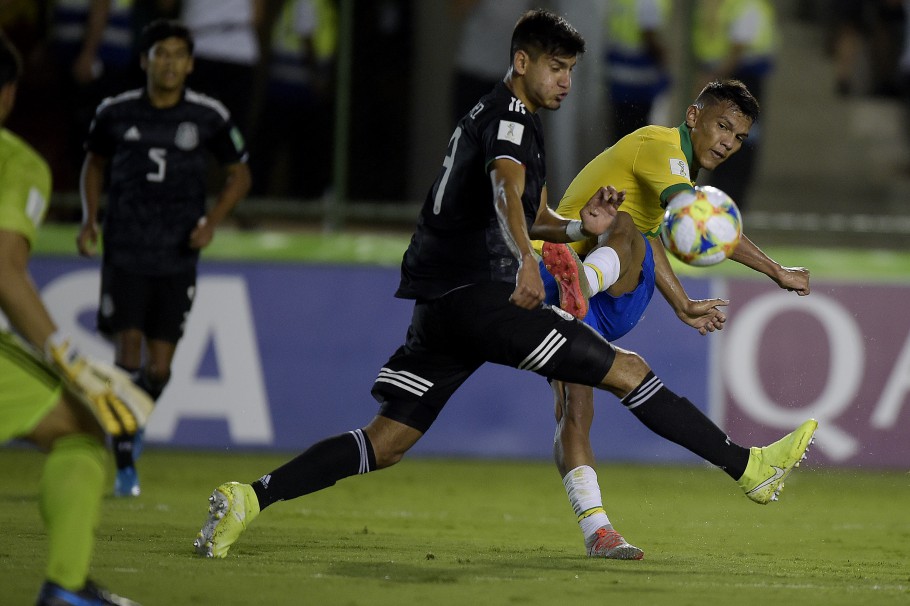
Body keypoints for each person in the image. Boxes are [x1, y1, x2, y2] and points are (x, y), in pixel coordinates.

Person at [192, 10, 817, 561]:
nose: (565, 81)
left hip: (440, 305)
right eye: (555, 67)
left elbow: (536, 209)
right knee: (629, 371)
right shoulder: (514, 120)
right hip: (489, 297)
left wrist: (576, 225)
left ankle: (249, 497)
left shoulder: (490, 116)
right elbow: (505, 189)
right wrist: (526, 256)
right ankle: (748, 467)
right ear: (521, 63)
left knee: (384, 443)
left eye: (571, 69)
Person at [538, 78, 813, 560]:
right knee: (575, 412)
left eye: (739, 136)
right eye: (722, 126)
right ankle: (599, 530)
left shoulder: (678, 172)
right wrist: (777, 271)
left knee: (630, 228)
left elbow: (648, 239)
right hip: (549, 271)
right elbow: (691, 222)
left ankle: (579, 287)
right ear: (693, 117)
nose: (728, 142)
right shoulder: (660, 145)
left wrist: (683, 303)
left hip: (593, 288)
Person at [77, 19, 251, 497]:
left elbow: (240, 173)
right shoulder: (114, 112)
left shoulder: (209, 116)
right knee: (127, 353)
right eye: (161, 54)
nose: (170, 63)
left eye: (178, 55)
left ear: (190, 63)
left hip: (177, 253)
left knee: (158, 369)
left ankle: (133, 419)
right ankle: (125, 457)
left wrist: (212, 221)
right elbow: (93, 163)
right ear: (144, 61)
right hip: (127, 249)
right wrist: (90, 219)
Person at [0, 32, 145, 606]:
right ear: (8, 96)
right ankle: (65, 586)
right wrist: (72, 360)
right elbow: (6, 271)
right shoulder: (15, 162)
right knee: (81, 428)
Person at [692, 0, 777, 210]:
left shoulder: (745, 6)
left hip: (742, 79)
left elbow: (738, 47)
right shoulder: (739, 5)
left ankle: (729, 196)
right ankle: (725, 195)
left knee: (737, 139)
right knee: (731, 138)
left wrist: (712, 78)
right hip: (736, 79)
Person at [602, 0, 671, 142]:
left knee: (621, 135)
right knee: (637, 137)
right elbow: (649, 32)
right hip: (638, 82)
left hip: (619, 76)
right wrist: (665, 59)